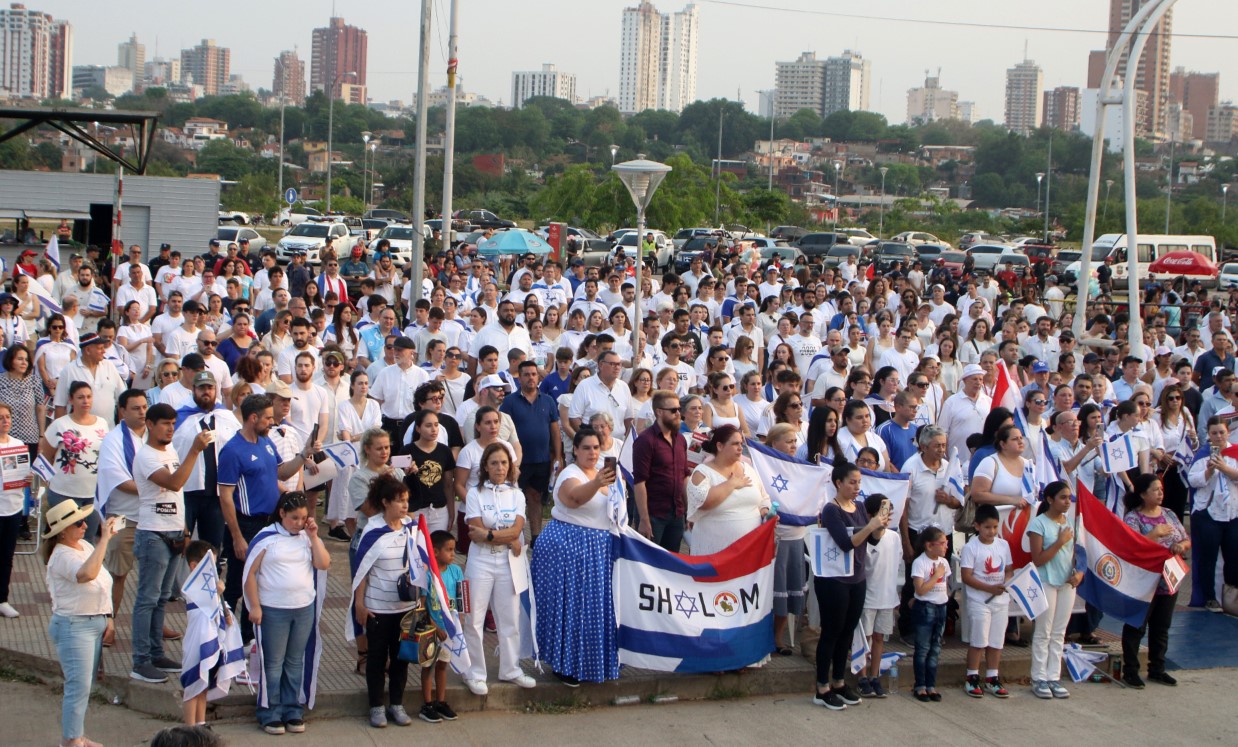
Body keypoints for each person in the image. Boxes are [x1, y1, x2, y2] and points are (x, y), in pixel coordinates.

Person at [218, 394, 316, 644]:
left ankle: (250, 638)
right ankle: (224, 636)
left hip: (270, 522)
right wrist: (237, 536)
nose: (273, 422)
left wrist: (303, 455)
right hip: (247, 523)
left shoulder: (266, 443)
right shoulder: (232, 451)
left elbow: (281, 472)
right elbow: (226, 497)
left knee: (261, 581)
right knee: (237, 584)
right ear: (253, 418)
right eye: (268, 418)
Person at [532, 428, 620, 686]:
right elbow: (572, 499)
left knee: (595, 610)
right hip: (570, 549)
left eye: (596, 447)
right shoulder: (570, 474)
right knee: (573, 609)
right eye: (587, 448)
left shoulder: (608, 475)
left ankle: (592, 663)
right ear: (575, 451)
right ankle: (565, 665)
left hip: (598, 551)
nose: (593, 453)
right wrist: (597, 483)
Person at [242, 492, 330, 735]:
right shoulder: (266, 537)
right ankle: (269, 712)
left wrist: (313, 536)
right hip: (274, 609)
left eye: (303, 518)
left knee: (294, 662)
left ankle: (293, 709)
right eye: (294, 518)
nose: (299, 523)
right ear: (281, 514)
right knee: (273, 663)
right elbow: (249, 572)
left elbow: (323, 563)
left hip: (303, 608)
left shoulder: (306, 537)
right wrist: (256, 606)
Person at [42, 501, 121, 747]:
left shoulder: (85, 545)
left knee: (84, 686)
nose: (85, 526)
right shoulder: (61, 556)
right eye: (78, 523)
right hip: (74, 626)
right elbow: (86, 574)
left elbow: (102, 583)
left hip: (93, 622)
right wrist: (105, 540)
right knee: (78, 687)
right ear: (63, 530)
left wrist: (108, 618)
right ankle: (71, 741)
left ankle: (76, 735)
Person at [813, 461, 889, 711]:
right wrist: (869, 526)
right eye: (852, 482)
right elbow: (846, 543)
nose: (857, 487)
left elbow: (871, 541)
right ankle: (822, 686)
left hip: (857, 577)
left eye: (859, 482)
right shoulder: (831, 510)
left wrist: (879, 526)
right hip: (834, 580)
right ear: (838, 483)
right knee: (831, 632)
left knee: (847, 632)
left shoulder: (857, 507)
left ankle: (839, 681)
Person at [462, 443, 535, 694]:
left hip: (508, 562)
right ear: (485, 466)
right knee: (474, 619)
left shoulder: (517, 494)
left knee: (510, 618)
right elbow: (475, 532)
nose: (500, 468)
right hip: (480, 561)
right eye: (494, 463)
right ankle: (474, 672)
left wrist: (492, 535)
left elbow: (517, 531)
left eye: (504, 463)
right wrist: (504, 537)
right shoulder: (475, 493)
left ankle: (510, 668)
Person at [348, 472, 417, 728]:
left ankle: (397, 704)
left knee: (401, 659)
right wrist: (360, 603)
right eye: (399, 500)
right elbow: (361, 572)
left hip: (406, 609)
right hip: (378, 608)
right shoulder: (372, 531)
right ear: (386, 502)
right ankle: (376, 706)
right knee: (377, 660)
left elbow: (419, 566)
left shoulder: (411, 528)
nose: (405, 505)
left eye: (407, 500)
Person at [1121, 474, 1190, 688]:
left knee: (1161, 627)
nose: (1161, 493)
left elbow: (1186, 538)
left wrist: (1182, 546)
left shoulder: (1169, 514)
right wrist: (1153, 534)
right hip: (1144, 580)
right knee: (1136, 626)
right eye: (1155, 490)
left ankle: (1157, 669)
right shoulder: (1133, 518)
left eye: (1161, 489)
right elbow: (1130, 546)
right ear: (1142, 494)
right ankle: (1131, 670)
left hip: (1168, 579)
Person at [1027, 480, 1081, 700]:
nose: (1067, 502)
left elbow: (1078, 555)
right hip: (1046, 582)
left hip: (1067, 583)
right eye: (1063, 497)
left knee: (1059, 632)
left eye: (1069, 498)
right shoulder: (1038, 524)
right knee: (1043, 632)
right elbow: (1038, 559)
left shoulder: (1070, 523)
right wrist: (1059, 542)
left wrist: (1079, 573)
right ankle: (1038, 677)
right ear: (1050, 499)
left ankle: (1053, 677)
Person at [499, 360, 562, 539]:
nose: (531, 378)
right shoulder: (509, 402)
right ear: (519, 378)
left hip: (541, 459)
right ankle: (513, 536)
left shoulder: (548, 401)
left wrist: (557, 456)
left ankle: (536, 536)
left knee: (536, 498)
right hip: (517, 462)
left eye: (534, 374)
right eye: (526, 374)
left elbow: (555, 430)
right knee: (513, 499)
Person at [685, 425, 770, 555]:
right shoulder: (702, 472)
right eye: (735, 444)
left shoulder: (748, 468)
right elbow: (703, 502)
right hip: (715, 551)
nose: (741, 448)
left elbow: (764, 498)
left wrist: (765, 511)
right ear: (720, 446)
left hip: (750, 550)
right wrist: (731, 484)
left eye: (741, 443)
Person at [39, 382, 109, 540]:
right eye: (80, 397)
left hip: (92, 493)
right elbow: (46, 455)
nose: (86, 401)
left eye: (89, 397)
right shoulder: (60, 424)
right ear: (71, 400)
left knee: (88, 540)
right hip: (64, 492)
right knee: (64, 539)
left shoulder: (102, 423)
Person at [1185, 415, 1238, 613]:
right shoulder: (1203, 454)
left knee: (1234, 557)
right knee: (1208, 558)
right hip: (1208, 514)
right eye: (1214, 433)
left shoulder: (1235, 453)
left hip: (1233, 513)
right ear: (1209, 435)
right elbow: (1194, 480)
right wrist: (1208, 471)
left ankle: (1232, 598)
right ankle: (1209, 598)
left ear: (1228, 433)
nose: (1218, 436)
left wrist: (1224, 467)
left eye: (1221, 432)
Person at [960, 504, 1013, 699]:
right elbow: (966, 576)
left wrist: (1006, 583)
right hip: (979, 601)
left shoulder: (1003, 545)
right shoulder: (971, 547)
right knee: (978, 640)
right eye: (987, 527)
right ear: (977, 526)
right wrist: (989, 588)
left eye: (995, 527)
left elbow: (1008, 569)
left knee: (996, 641)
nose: (992, 532)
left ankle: (992, 676)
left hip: (1000, 602)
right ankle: (972, 676)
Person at [632, 390, 691, 552]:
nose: (678, 413)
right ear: (659, 412)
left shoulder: (680, 440)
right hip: (653, 514)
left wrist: (688, 510)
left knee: (672, 564)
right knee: (649, 564)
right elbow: (639, 483)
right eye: (673, 410)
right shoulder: (645, 441)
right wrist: (644, 519)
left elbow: (684, 477)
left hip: (676, 513)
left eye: (679, 409)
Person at [858, 492, 900, 700]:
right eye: (882, 512)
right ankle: (862, 676)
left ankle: (875, 676)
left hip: (887, 597)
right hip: (868, 597)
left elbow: (895, 566)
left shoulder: (895, 537)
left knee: (879, 638)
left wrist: (895, 598)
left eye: (888, 511)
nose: (887, 516)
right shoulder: (864, 538)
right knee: (864, 638)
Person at [419, 530, 462, 723]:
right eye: (449, 550)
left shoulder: (456, 572)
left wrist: (458, 623)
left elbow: (462, 600)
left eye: (453, 550)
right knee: (428, 666)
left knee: (443, 665)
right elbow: (421, 605)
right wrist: (434, 625)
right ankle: (427, 704)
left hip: (449, 629)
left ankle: (440, 701)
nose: (453, 554)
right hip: (431, 629)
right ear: (435, 551)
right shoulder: (427, 574)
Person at [910, 525, 951, 703]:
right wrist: (936, 575)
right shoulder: (920, 563)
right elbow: (920, 590)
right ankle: (920, 685)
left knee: (935, 648)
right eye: (942, 543)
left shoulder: (944, 562)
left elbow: (946, 585)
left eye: (946, 542)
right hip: (926, 606)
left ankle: (931, 685)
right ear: (929, 545)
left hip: (941, 606)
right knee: (923, 648)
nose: (945, 546)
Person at [403, 409, 457, 533]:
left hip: (439, 510)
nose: (433, 429)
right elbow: (400, 483)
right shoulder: (407, 451)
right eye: (428, 425)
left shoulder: (445, 451)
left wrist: (451, 510)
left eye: (436, 425)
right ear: (418, 428)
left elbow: (448, 484)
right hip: (415, 510)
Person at [0, 403, 26, 619]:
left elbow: (23, 472)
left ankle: (2, 599)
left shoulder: (17, 444)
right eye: (1, 418)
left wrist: (27, 478)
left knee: (7, 556)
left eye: (8, 417)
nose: (5, 421)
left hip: (13, 506)